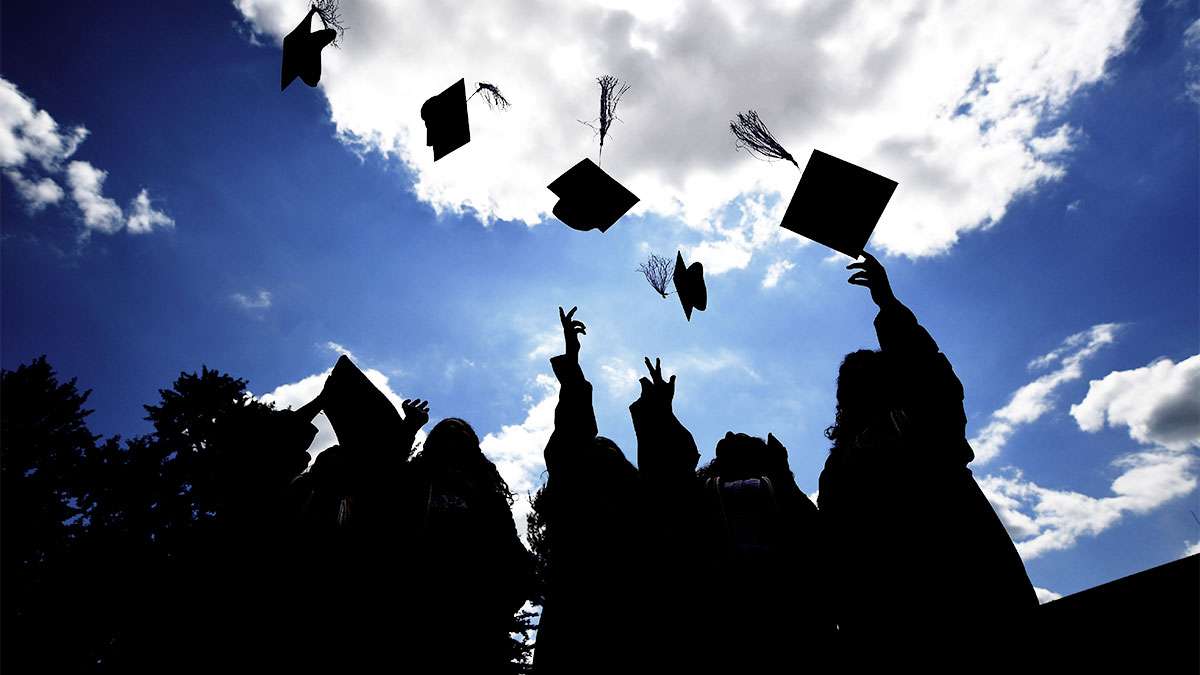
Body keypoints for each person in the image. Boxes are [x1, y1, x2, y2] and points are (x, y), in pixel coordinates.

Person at [817, 251, 1037, 669]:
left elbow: (832, 548)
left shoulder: (859, 458)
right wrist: (887, 303)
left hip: (915, 609)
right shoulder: (919, 430)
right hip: (955, 596)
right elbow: (932, 374)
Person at [532, 306, 645, 673]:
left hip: (617, 602)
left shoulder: (634, 508)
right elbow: (575, 421)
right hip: (576, 598)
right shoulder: (575, 479)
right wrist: (572, 360)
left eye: (607, 451)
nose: (601, 449)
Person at [405, 414, 535, 672]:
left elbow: (513, 555)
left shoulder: (489, 499)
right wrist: (407, 430)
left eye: (460, 436)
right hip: (416, 609)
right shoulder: (412, 484)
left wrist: (500, 607)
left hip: (477, 617)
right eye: (446, 435)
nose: (453, 443)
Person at [696, 431, 834, 670]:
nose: (729, 434)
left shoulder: (776, 488)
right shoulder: (702, 492)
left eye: (740, 439)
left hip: (780, 617)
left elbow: (818, 541)